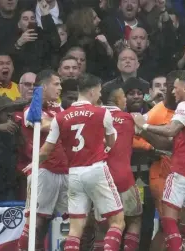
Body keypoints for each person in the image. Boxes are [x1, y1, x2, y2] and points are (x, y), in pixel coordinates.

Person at [32, 74, 125, 251]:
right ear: (91, 91)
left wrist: (33, 163)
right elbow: (111, 142)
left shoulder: (60, 117)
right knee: (117, 221)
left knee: (75, 229)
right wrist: (103, 145)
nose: (99, 95)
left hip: (73, 174)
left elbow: (45, 150)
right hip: (96, 169)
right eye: (98, 91)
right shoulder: (102, 113)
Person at [132, 70, 185, 251]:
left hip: (181, 168)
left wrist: (143, 125)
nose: (173, 92)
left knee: (168, 219)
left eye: (175, 88)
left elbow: (170, 131)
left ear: (184, 87)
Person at [18, 70, 68, 251]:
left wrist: (58, 119)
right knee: (35, 224)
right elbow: (45, 124)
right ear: (44, 87)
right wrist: (61, 121)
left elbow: (62, 125)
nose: (60, 87)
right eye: (56, 84)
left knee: (74, 220)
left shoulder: (59, 109)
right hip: (43, 171)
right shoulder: (29, 110)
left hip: (65, 171)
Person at [89, 82, 144, 251]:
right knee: (134, 219)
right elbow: (143, 131)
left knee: (102, 226)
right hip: (123, 177)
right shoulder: (129, 118)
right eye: (123, 96)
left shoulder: (93, 117)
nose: (126, 100)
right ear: (118, 98)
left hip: (100, 178)